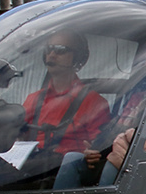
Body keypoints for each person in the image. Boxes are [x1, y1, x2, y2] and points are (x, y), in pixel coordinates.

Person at [19, 30, 109, 172]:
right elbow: (16, 136)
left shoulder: (95, 103)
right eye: (49, 49)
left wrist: (92, 153)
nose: (52, 55)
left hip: (65, 171)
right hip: (31, 171)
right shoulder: (33, 99)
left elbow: (99, 148)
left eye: (61, 50)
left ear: (78, 57)